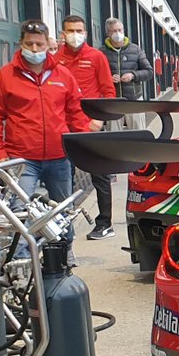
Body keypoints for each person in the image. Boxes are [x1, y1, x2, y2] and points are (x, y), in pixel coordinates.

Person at [0, 19, 87, 250]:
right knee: (19, 210)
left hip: (59, 156)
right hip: (21, 159)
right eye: (29, 44)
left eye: (40, 44)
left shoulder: (63, 75)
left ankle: (63, 254)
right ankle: (19, 258)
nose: (35, 49)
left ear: (48, 44)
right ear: (20, 43)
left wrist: (84, 147)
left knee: (63, 209)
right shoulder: (5, 77)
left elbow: (76, 112)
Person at [56, 14, 117, 240]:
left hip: (90, 127)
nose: (74, 35)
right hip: (63, 128)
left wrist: (98, 120)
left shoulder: (96, 57)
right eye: (70, 31)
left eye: (78, 31)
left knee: (99, 175)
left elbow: (108, 91)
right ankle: (63, 224)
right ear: (63, 34)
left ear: (85, 34)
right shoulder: (55, 59)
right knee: (63, 175)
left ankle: (105, 223)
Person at [100, 17, 153, 128]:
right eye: (114, 31)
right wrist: (108, 78)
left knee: (138, 133)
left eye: (120, 30)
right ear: (108, 33)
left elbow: (149, 71)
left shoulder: (136, 50)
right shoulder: (101, 52)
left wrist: (133, 75)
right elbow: (96, 76)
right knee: (113, 136)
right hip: (113, 102)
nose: (118, 33)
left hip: (134, 100)